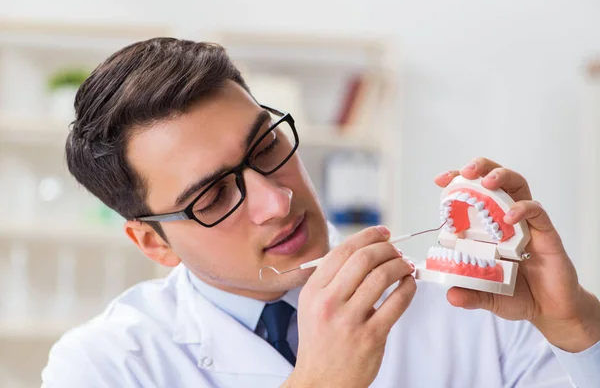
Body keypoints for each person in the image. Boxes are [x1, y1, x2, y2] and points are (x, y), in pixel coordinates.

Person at [41, 38, 600, 388]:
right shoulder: (105, 366)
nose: (277, 201)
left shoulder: (473, 305)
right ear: (154, 243)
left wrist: (579, 330)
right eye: (212, 197)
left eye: (266, 149)